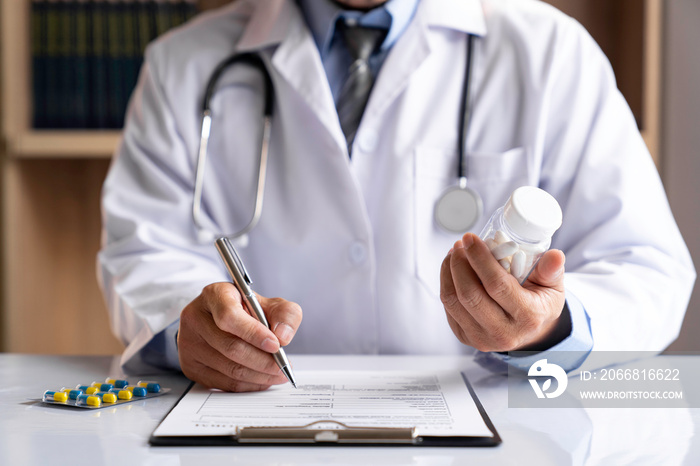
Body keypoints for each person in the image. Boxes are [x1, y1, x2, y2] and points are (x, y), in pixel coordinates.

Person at [98, 0, 695, 392]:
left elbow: (647, 268)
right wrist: (189, 326)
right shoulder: (183, 64)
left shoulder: (551, 54)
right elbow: (138, 254)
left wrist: (549, 327)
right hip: (259, 428)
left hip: (490, 435)